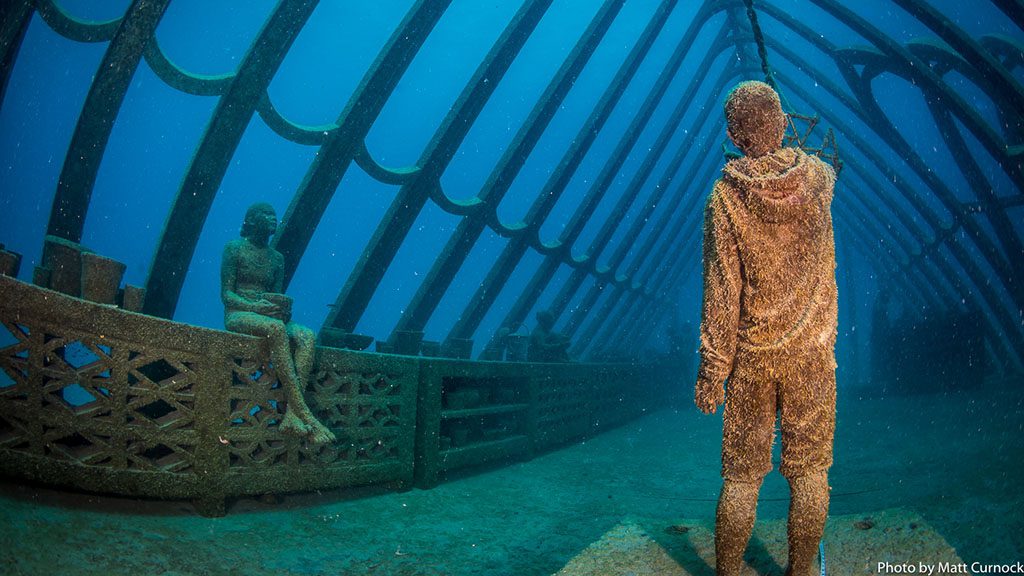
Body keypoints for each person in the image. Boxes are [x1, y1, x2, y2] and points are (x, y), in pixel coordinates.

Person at [695, 81, 838, 576]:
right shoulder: (819, 181)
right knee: (812, 472)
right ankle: (801, 570)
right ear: (781, 123)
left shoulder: (725, 199)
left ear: (734, 136)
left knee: (740, 478)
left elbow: (722, 294)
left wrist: (713, 372)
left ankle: (728, 571)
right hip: (812, 358)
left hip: (752, 361)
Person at [221, 202, 335, 444]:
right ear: (251, 220)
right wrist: (254, 306)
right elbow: (227, 295)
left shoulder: (277, 258)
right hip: (239, 312)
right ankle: (306, 414)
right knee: (276, 329)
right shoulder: (234, 249)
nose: (273, 218)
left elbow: (275, 294)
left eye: (274, 214)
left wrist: (281, 309)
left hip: (268, 315)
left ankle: (293, 415)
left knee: (306, 336)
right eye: (266, 214)